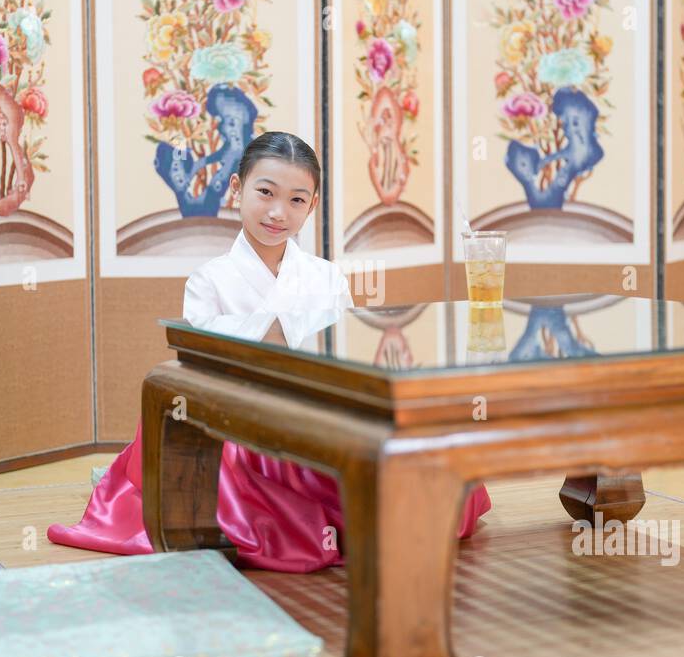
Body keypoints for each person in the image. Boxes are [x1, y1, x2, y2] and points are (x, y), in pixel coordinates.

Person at [48, 131, 492, 572]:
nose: (279, 212)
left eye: (298, 200)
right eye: (265, 192)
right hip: (244, 422)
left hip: (318, 416)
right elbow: (207, 367)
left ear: (313, 205)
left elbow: (347, 362)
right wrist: (283, 331)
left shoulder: (326, 277)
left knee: (431, 467)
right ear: (238, 189)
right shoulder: (209, 280)